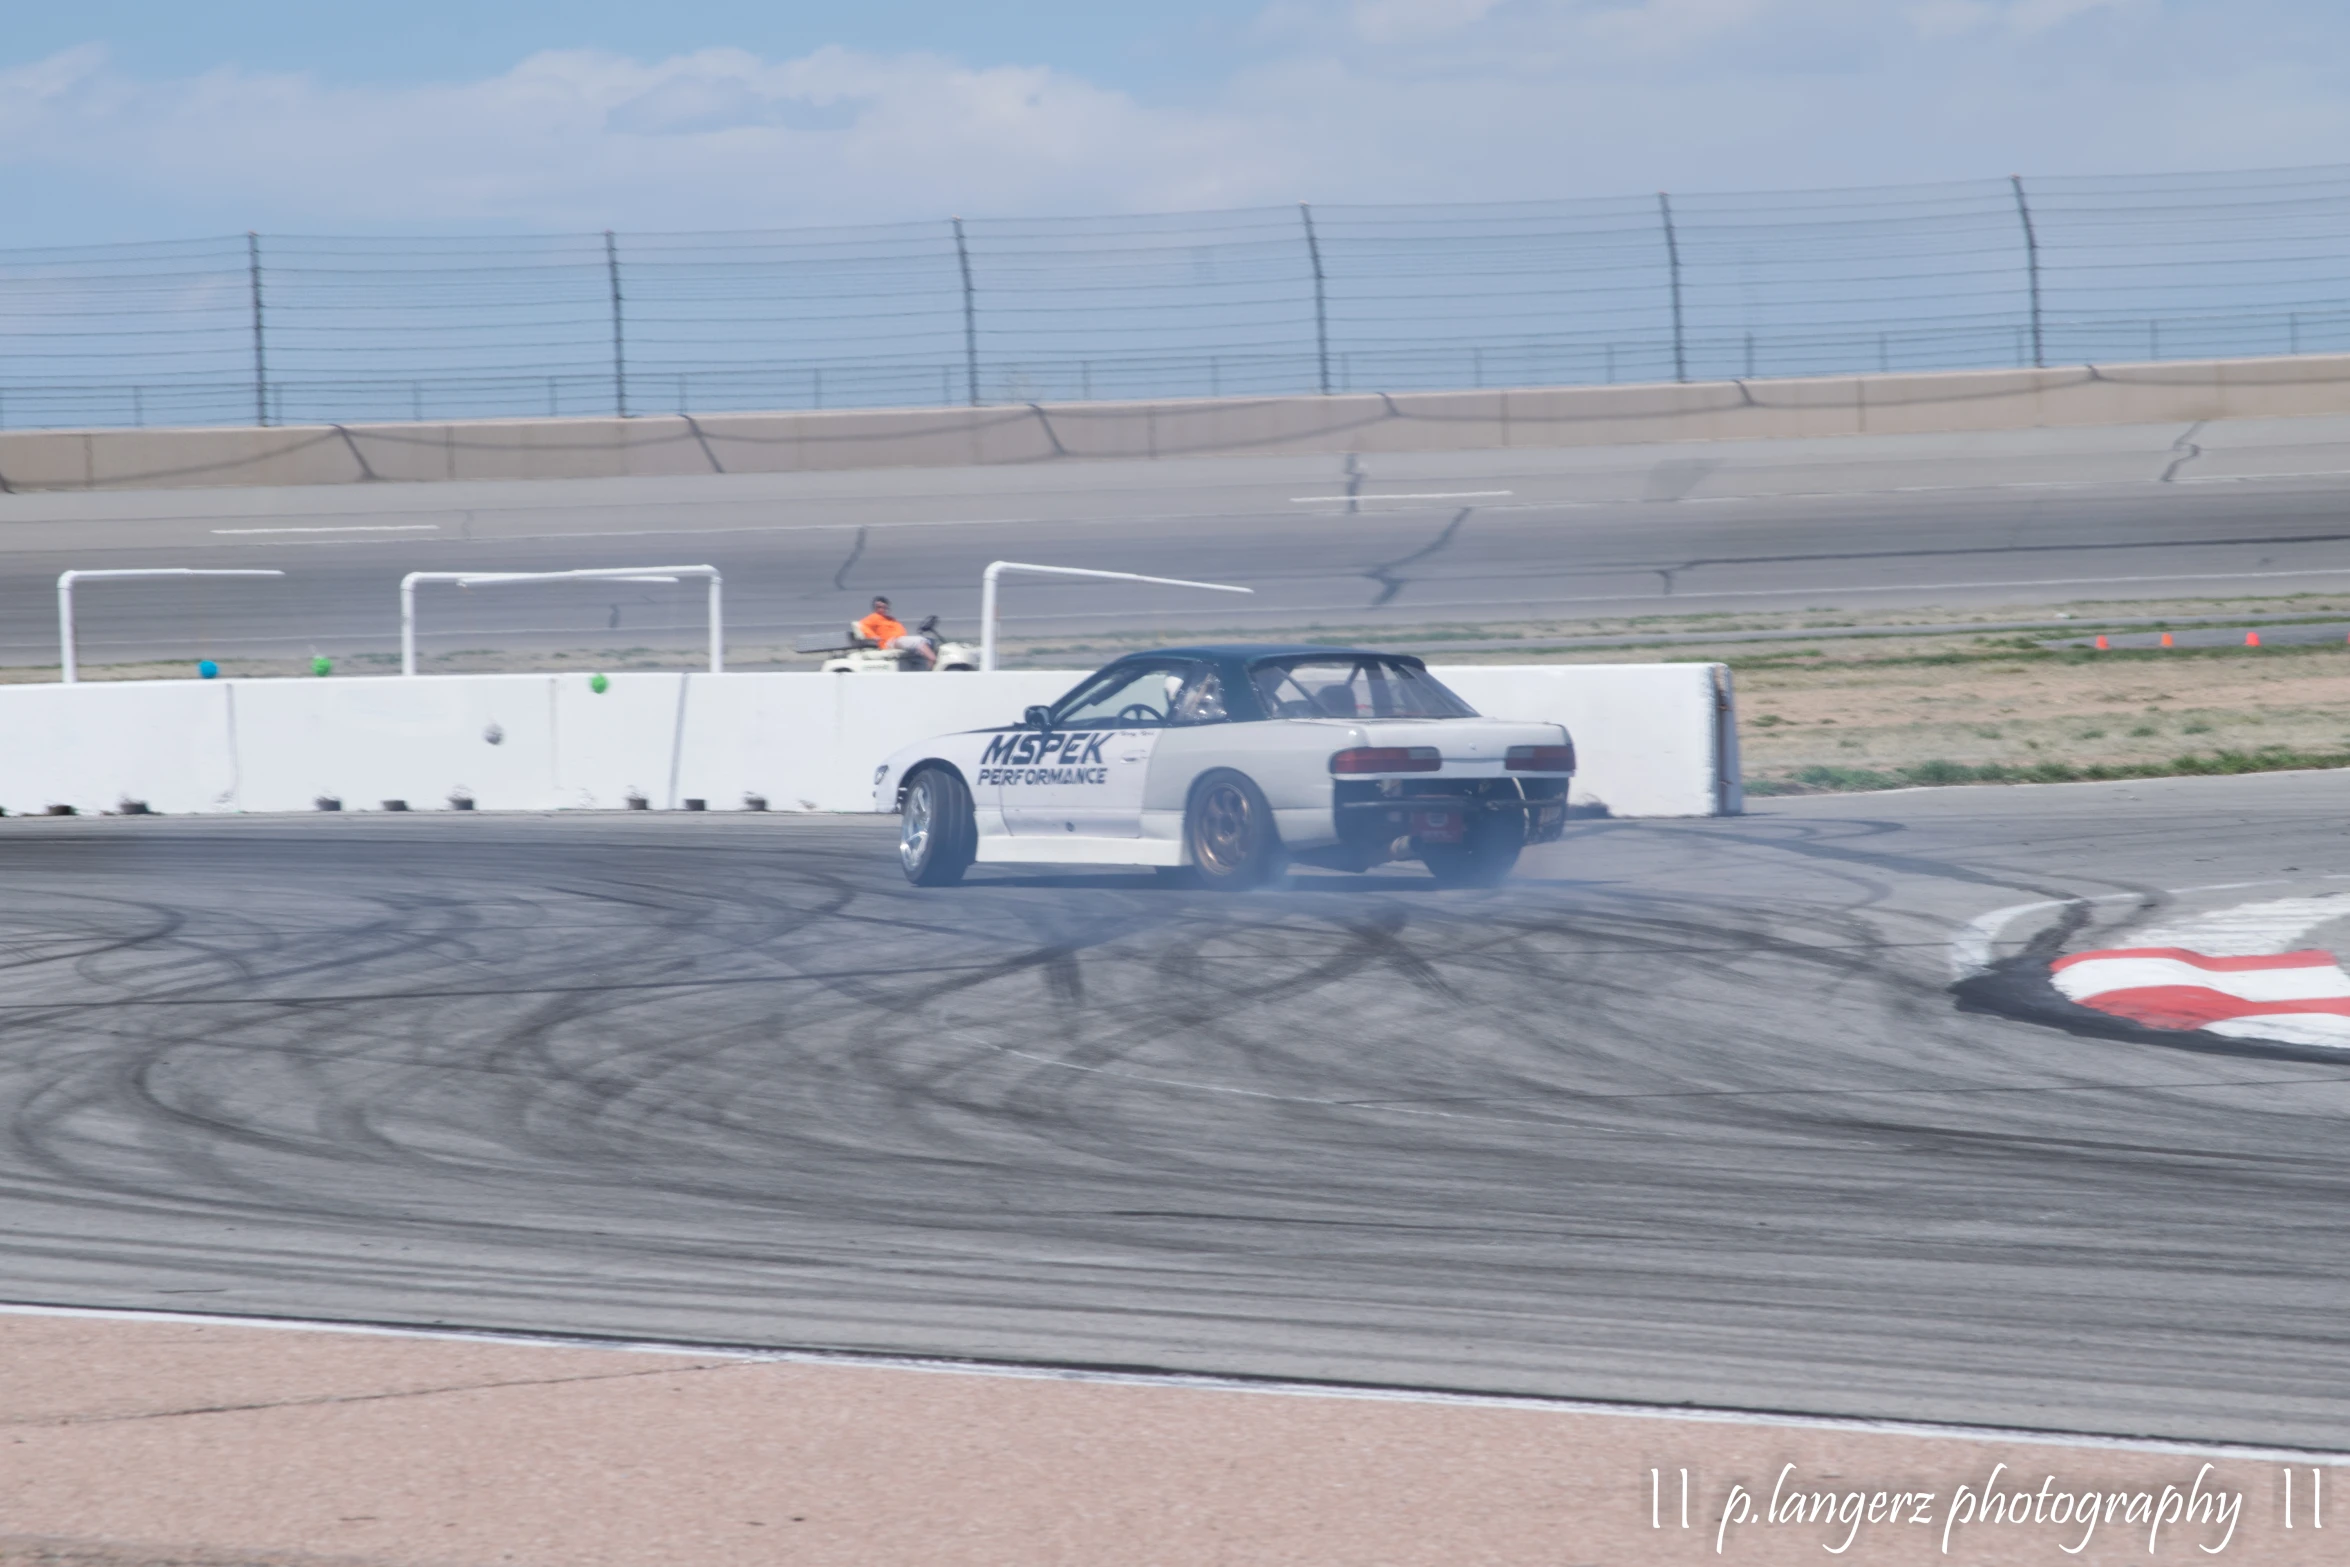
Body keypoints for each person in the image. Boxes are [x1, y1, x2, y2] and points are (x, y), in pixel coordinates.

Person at [852, 595, 936, 668]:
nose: (881, 609)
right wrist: (872, 636)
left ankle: (927, 665)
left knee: (928, 641)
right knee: (918, 640)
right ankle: (932, 659)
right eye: (879, 607)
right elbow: (861, 625)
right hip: (888, 642)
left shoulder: (891, 619)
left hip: (898, 640)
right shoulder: (874, 617)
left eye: (884, 607)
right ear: (875, 608)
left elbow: (901, 630)